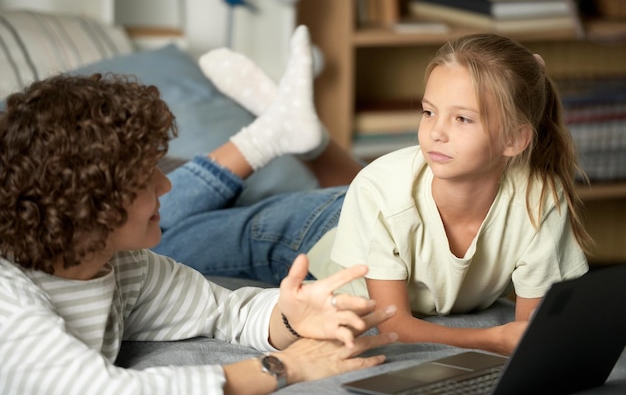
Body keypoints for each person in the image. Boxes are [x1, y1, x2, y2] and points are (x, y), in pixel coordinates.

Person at [159, 29, 592, 357]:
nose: (436, 132)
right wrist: (493, 338)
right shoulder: (384, 191)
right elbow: (395, 326)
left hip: (382, 211)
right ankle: (268, 134)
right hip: (314, 235)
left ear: (515, 141)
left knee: (383, 185)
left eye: (463, 119)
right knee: (160, 237)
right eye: (428, 112)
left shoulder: (539, 200)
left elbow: (534, 330)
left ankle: (302, 137)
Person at [0, 69, 400, 395]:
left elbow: (228, 312)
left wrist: (292, 316)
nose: (166, 186)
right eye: (144, 178)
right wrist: (283, 367)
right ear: (89, 205)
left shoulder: (124, 268)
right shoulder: (8, 297)